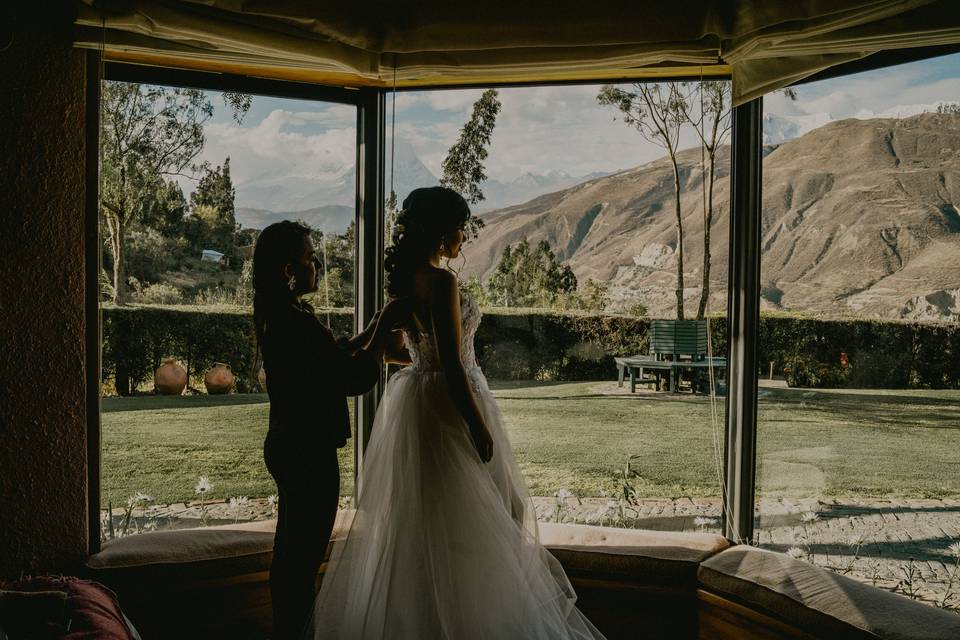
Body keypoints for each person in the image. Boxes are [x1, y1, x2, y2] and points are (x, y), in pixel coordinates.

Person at [309, 188, 606, 639]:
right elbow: (450, 363)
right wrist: (478, 425)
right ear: (445, 230)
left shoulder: (407, 281)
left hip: (418, 403)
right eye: (462, 226)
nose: (465, 236)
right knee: (495, 514)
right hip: (451, 404)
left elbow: (410, 355)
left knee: (428, 522)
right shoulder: (442, 282)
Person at [252, 221, 408, 640]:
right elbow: (352, 378)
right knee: (300, 561)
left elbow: (332, 355)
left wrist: (374, 326)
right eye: (307, 258)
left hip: (290, 444)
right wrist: (381, 344)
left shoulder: (284, 314)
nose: (315, 264)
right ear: (289, 271)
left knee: (293, 555)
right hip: (307, 452)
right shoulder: (293, 322)